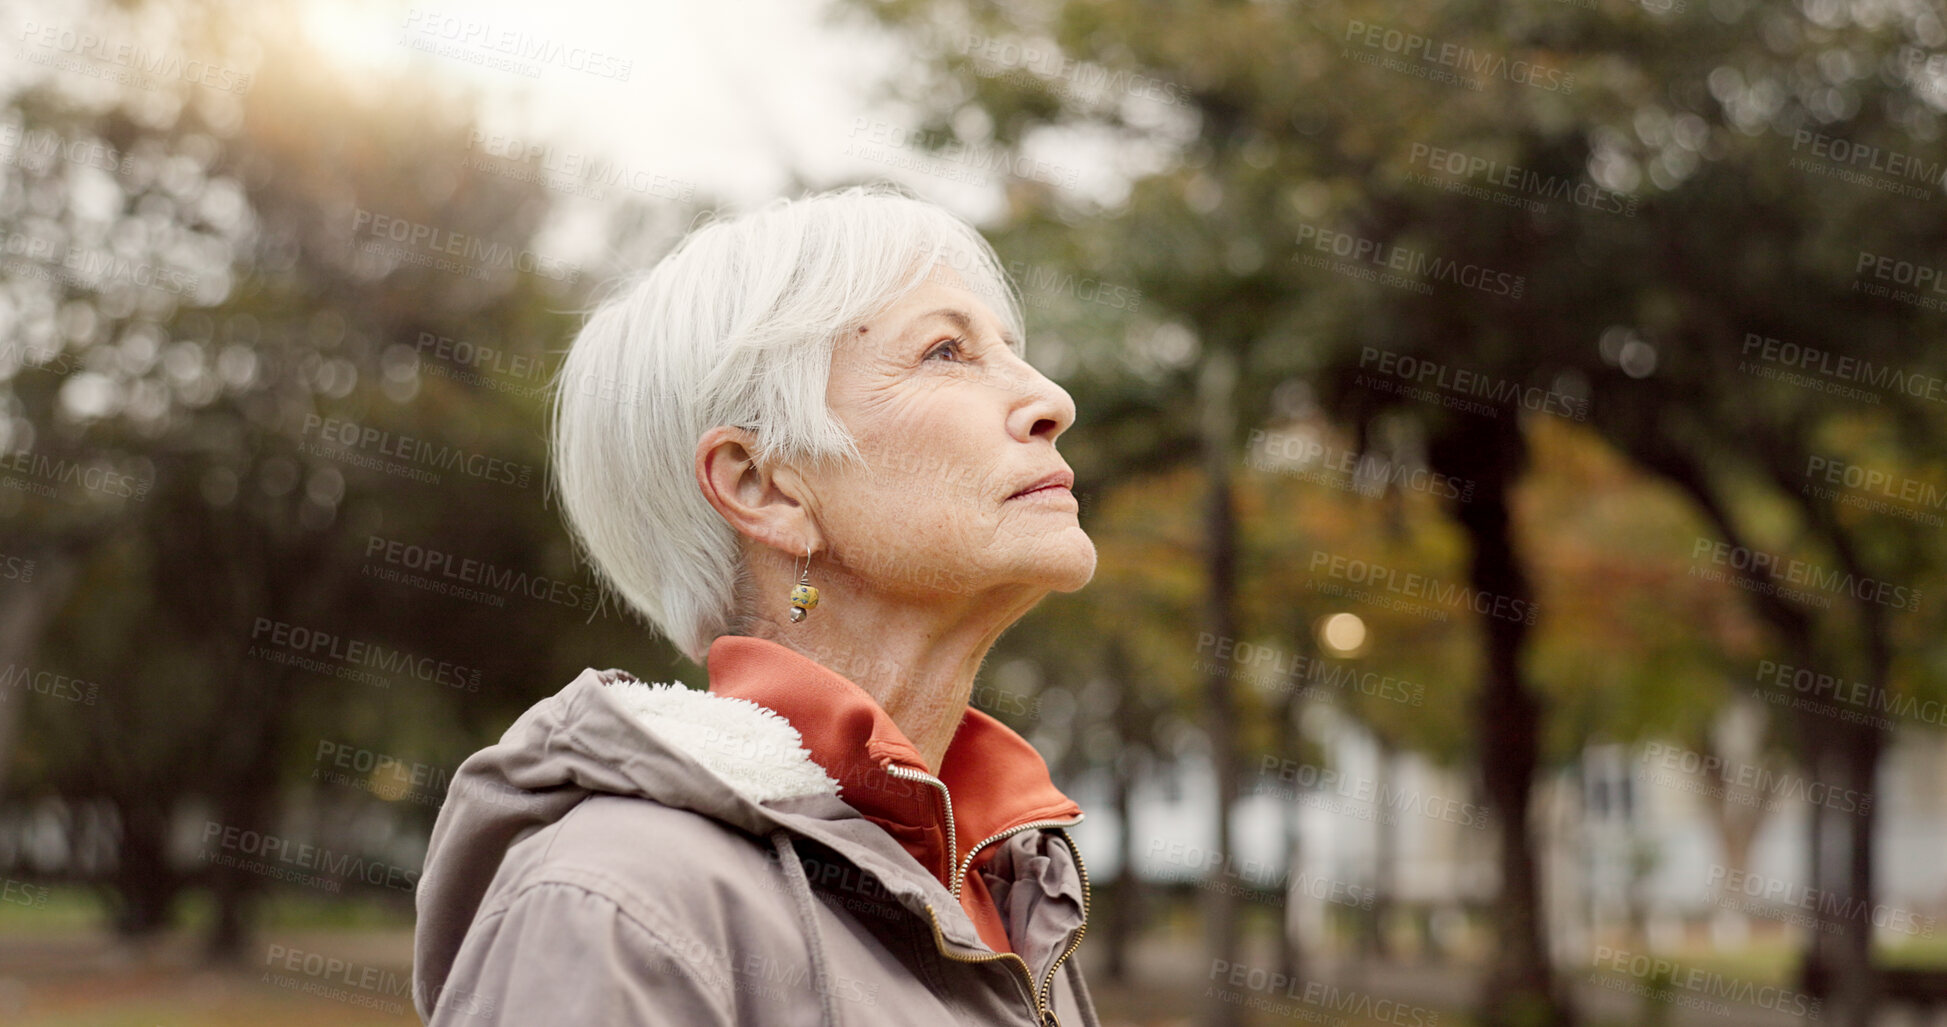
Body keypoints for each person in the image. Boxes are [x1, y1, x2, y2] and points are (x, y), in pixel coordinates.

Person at [412, 184, 1102, 1026]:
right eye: (946, 352)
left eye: (1010, 348)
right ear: (763, 485)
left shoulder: (1009, 881)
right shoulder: (614, 899)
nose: (1050, 400)